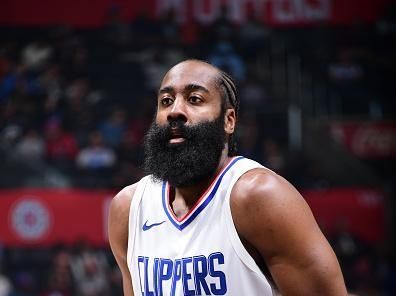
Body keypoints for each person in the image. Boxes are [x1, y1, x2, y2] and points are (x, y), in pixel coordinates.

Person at [108, 59, 347, 295]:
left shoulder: (260, 197)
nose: (175, 111)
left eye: (194, 99)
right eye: (166, 101)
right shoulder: (129, 209)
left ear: (228, 120)